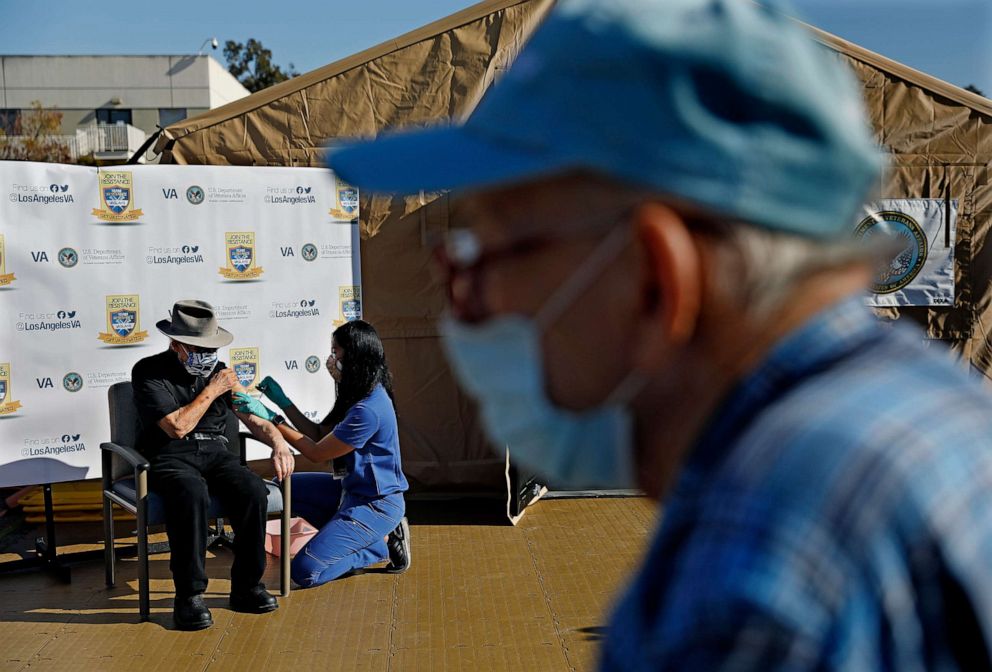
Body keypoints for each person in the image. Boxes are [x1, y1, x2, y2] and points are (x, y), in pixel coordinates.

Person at [324, 0, 992, 668]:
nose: (466, 305)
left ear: (652, 277)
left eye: (493, 253)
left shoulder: (754, 562)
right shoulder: (931, 406)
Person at [132, 299, 295, 631]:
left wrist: (278, 442)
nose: (206, 355)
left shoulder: (221, 374)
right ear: (176, 344)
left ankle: (248, 586)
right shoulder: (149, 371)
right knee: (190, 493)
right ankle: (189, 596)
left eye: (211, 348)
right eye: (198, 348)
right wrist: (212, 388)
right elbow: (177, 426)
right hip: (170, 455)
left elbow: (254, 416)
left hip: (217, 453)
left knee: (252, 489)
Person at [233, 319, 411, 588]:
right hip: (349, 491)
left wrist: (272, 418)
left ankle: (377, 548)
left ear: (354, 356)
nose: (331, 358)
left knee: (305, 571)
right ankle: (369, 536)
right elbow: (318, 434)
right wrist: (284, 403)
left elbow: (316, 453)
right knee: (284, 489)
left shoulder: (369, 409)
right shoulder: (357, 394)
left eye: (336, 352)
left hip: (375, 503)